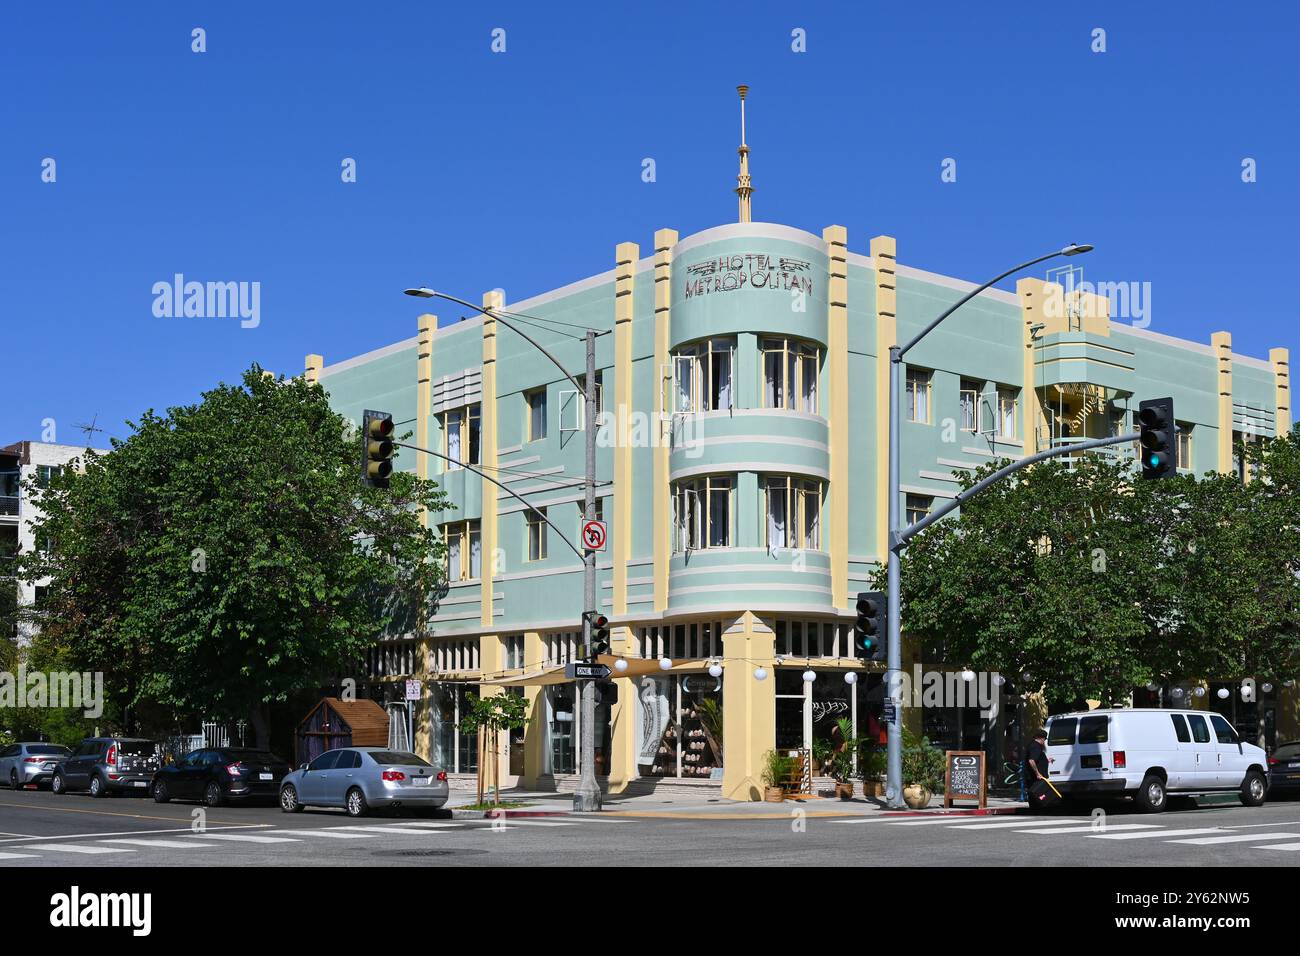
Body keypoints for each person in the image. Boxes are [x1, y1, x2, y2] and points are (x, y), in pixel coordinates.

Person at [1023, 728, 1049, 800]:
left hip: (1036, 777)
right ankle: (1036, 809)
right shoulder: (1036, 746)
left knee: (1037, 796)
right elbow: (1031, 760)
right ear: (1041, 738)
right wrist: (1037, 773)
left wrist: (1046, 760)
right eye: (1044, 739)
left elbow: (1037, 759)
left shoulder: (1034, 745)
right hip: (1035, 778)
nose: (1044, 741)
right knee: (1037, 796)